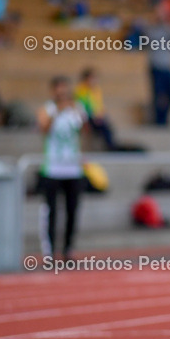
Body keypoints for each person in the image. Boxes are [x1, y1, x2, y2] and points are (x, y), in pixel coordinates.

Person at [37, 76, 87, 261]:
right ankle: (49, 250)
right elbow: (43, 128)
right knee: (51, 210)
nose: (62, 93)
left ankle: (68, 248)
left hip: (73, 167)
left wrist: (77, 113)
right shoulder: (48, 109)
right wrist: (58, 111)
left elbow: (84, 132)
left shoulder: (76, 109)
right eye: (58, 89)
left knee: (72, 210)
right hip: (53, 167)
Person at [74, 67, 116, 151]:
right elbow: (83, 107)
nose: (94, 81)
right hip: (85, 117)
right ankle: (110, 146)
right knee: (101, 125)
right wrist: (94, 116)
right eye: (92, 78)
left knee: (106, 125)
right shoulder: (80, 90)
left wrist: (100, 114)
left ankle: (110, 145)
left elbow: (99, 105)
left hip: (95, 116)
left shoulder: (96, 90)